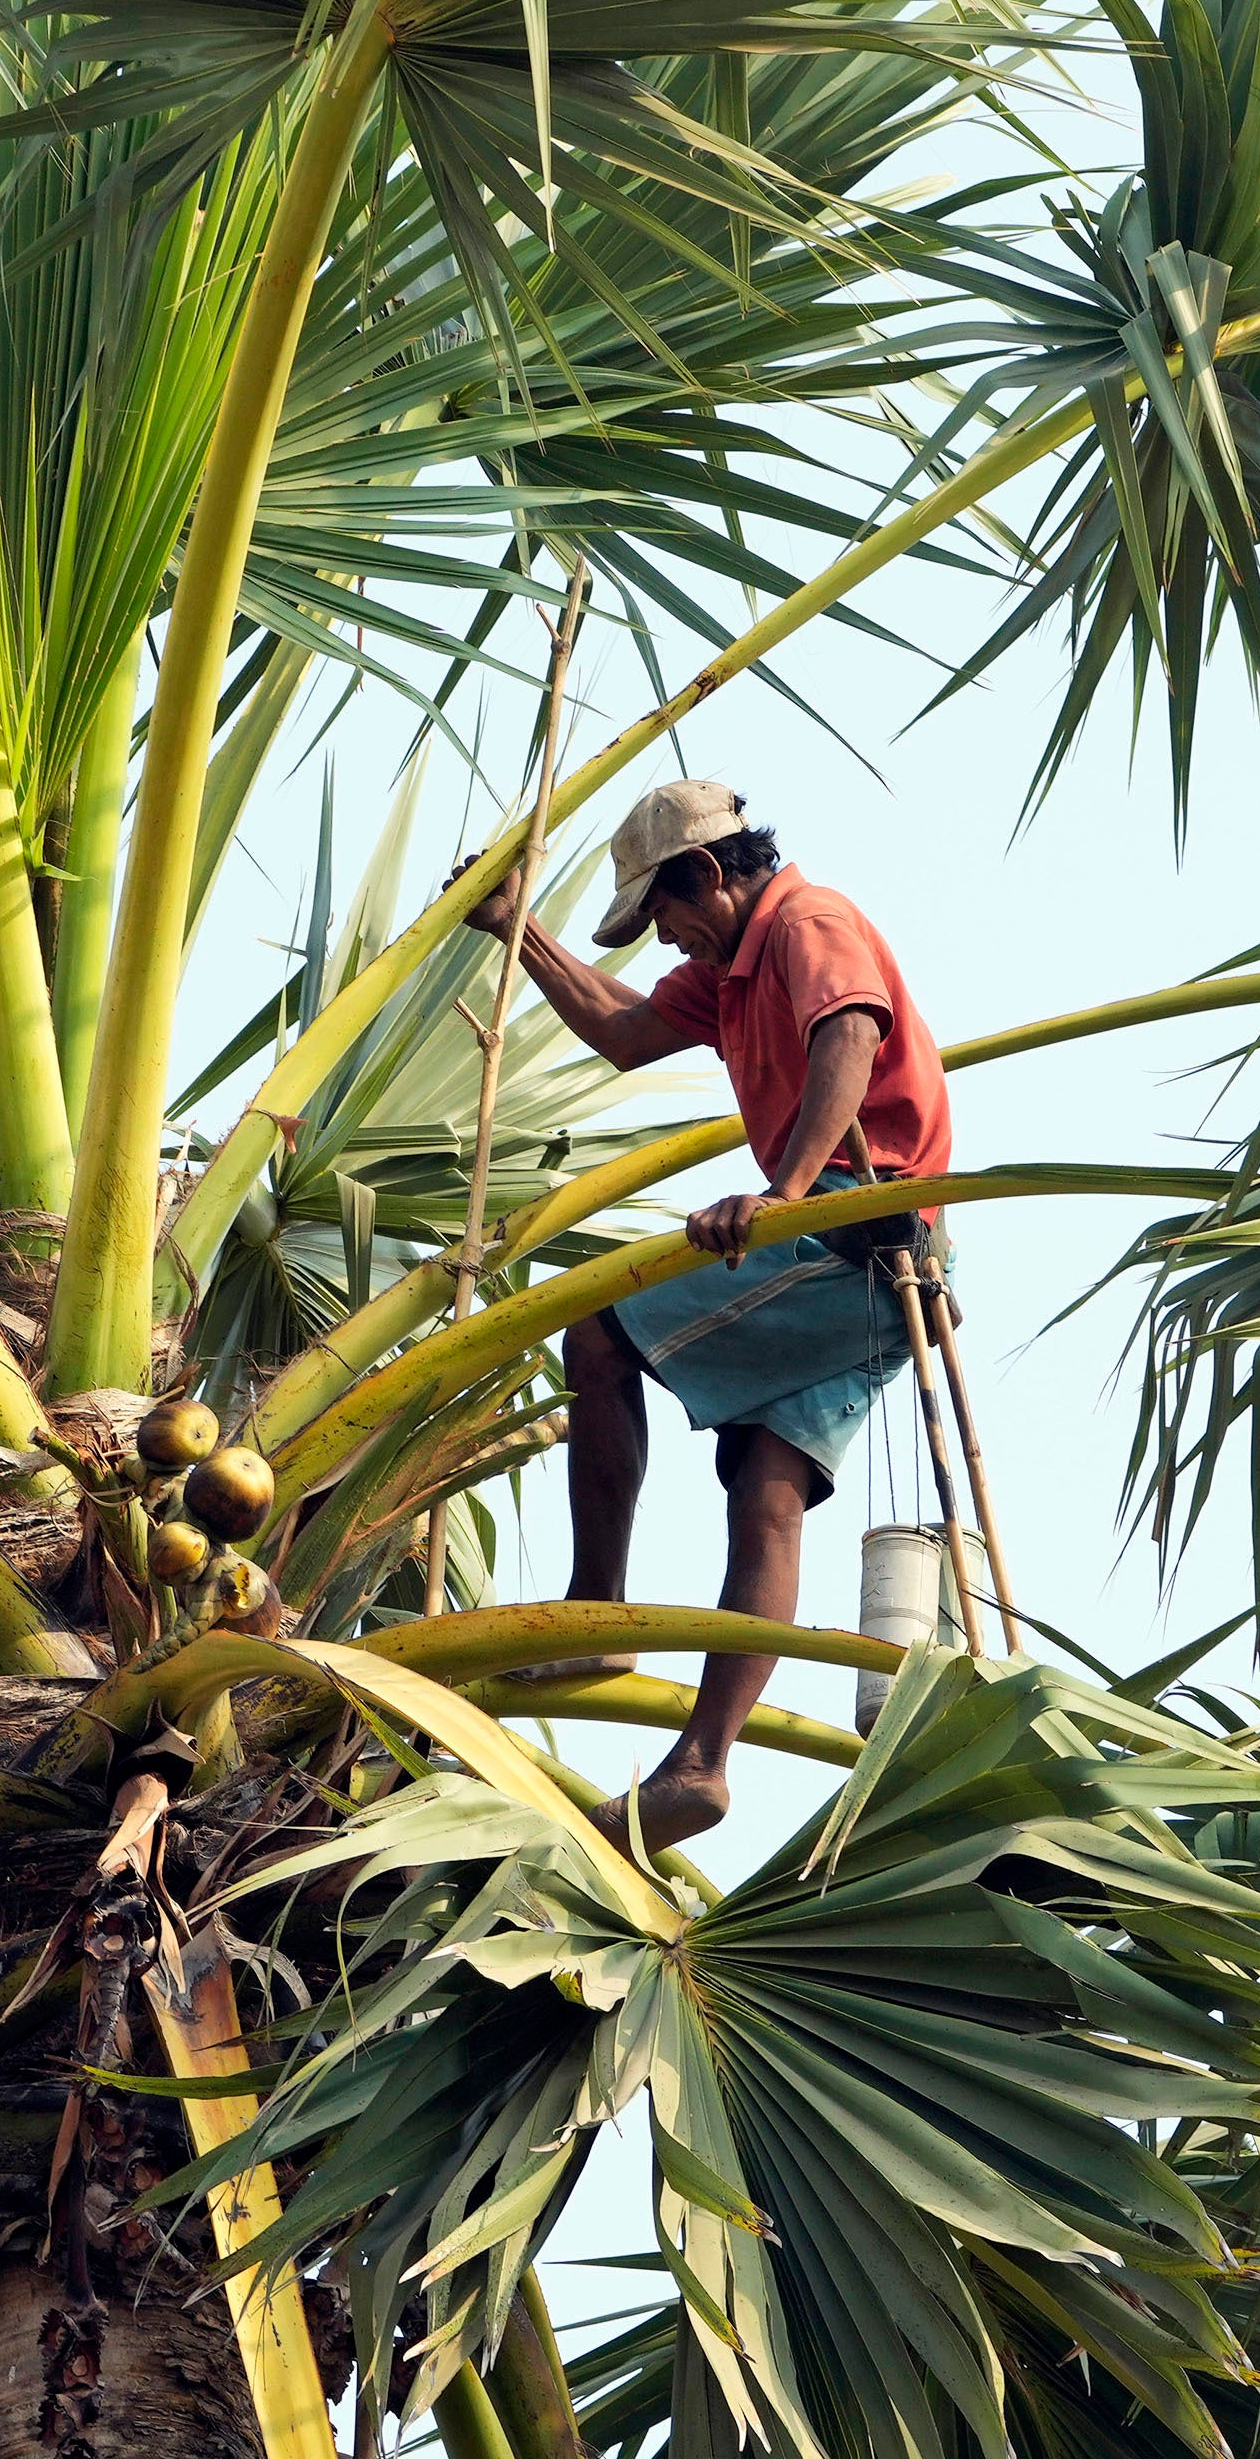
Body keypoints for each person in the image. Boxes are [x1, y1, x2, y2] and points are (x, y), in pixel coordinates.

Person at [462, 778, 954, 1852]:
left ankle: (597, 1607)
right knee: (766, 1495)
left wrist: (782, 1197)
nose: (665, 942)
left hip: (851, 1227)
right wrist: (517, 932)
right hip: (873, 1268)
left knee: (596, 1322)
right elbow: (624, 1033)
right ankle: (701, 1767)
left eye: (664, 915)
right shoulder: (721, 975)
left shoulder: (804, 924)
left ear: (705, 877)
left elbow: (851, 1035)